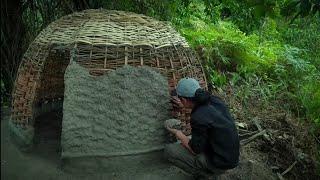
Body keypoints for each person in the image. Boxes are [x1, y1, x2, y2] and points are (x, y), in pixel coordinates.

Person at [164, 77, 239, 179]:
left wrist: (179, 134)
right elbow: (208, 119)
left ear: (184, 100)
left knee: (170, 150)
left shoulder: (198, 117)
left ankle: (205, 175)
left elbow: (195, 150)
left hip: (219, 163)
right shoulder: (215, 101)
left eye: (180, 99)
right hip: (230, 156)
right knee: (191, 139)